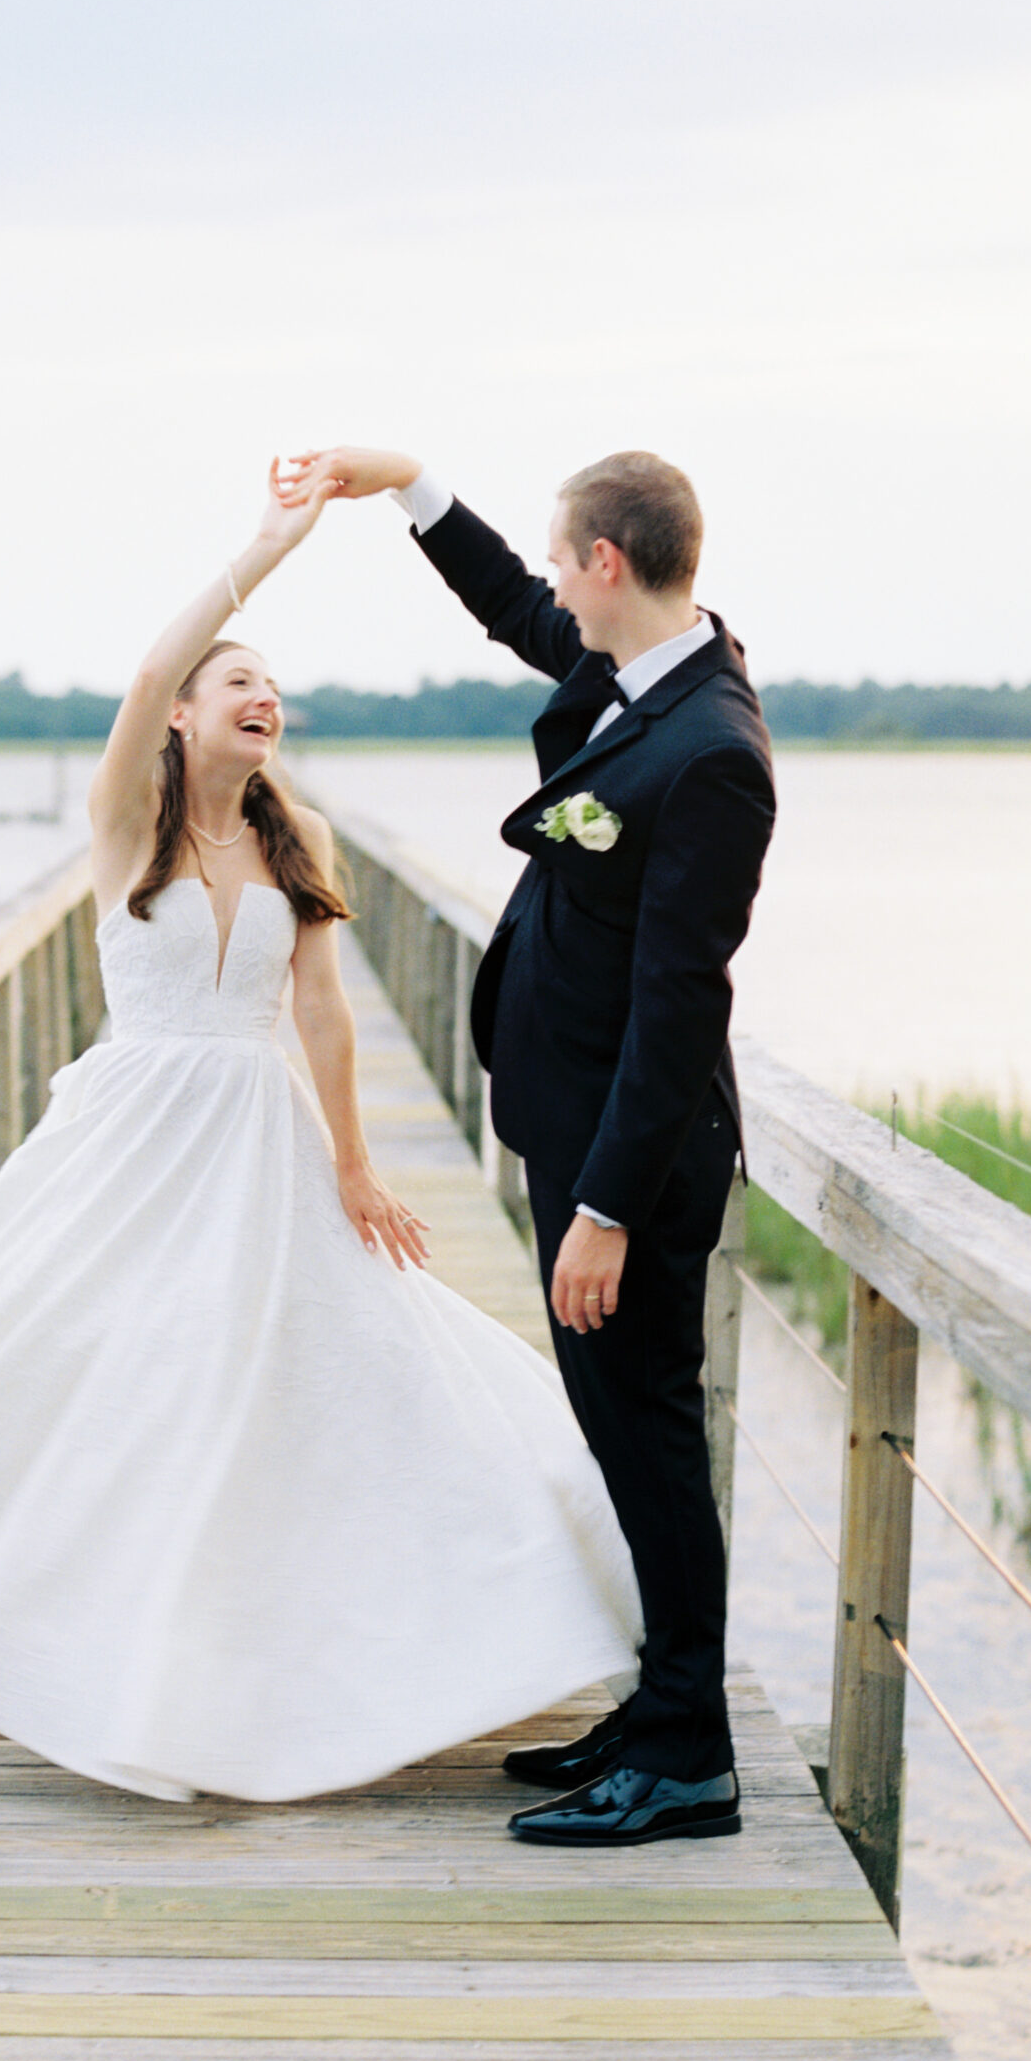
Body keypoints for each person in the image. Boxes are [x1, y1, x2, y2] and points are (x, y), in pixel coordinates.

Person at [0, 461, 642, 1803]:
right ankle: (82, 1640)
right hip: (129, 1134)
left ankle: (290, 1659)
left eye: (273, 686)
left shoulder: (293, 837)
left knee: (289, 1379)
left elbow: (321, 1011)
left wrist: (358, 1165)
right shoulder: (124, 823)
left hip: (257, 1141)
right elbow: (143, 680)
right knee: (91, 1367)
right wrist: (265, 550)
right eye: (235, 682)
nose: (264, 698)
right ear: (188, 717)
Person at [279, 445, 776, 1845]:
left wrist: (608, 1209)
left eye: (567, 561)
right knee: (621, 1435)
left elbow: (682, 1007)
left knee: (652, 1438)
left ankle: (690, 1755)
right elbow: (510, 606)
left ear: (608, 563)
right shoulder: (644, 672)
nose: (555, 586)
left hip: (636, 1164)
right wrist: (413, 488)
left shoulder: (714, 753)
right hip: (574, 1123)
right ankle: (657, 1701)